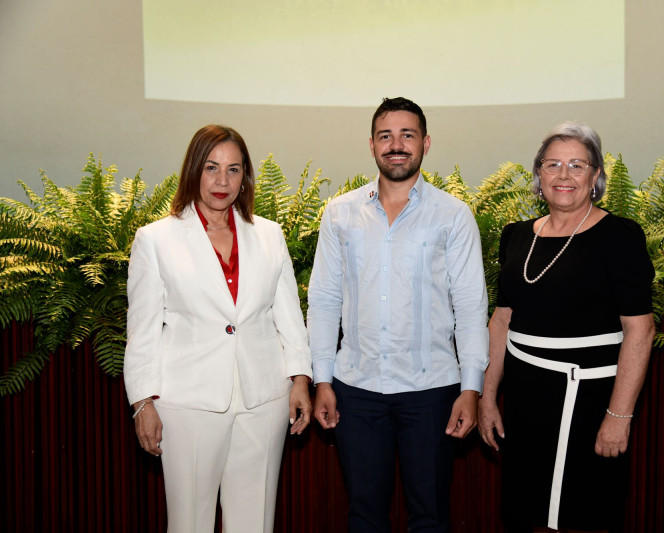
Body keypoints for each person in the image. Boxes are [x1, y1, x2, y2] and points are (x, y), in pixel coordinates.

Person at [308, 97, 489, 532]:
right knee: (364, 516)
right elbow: (325, 300)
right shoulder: (339, 215)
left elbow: (470, 306)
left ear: (425, 143)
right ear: (372, 145)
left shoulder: (453, 216)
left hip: (432, 391)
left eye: (407, 135)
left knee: (429, 517)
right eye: (386, 136)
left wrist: (472, 388)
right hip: (357, 388)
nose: (396, 145)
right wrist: (322, 379)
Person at [123, 125, 313, 533]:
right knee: (190, 523)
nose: (222, 181)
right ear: (194, 170)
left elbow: (288, 317)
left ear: (245, 176)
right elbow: (142, 331)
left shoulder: (269, 235)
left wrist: (300, 379)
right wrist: (142, 403)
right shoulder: (155, 240)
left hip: (263, 400)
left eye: (233, 169)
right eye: (211, 168)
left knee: (255, 523)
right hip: (187, 403)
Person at [477, 122, 656, 532]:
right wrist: (488, 397)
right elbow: (501, 320)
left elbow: (640, 332)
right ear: (538, 175)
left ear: (595, 177)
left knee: (583, 515)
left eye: (577, 165)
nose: (563, 175)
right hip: (525, 401)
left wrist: (618, 416)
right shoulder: (517, 236)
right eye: (552, 164)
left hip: (589, 401)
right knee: (526, 513)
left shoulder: (620, 237)